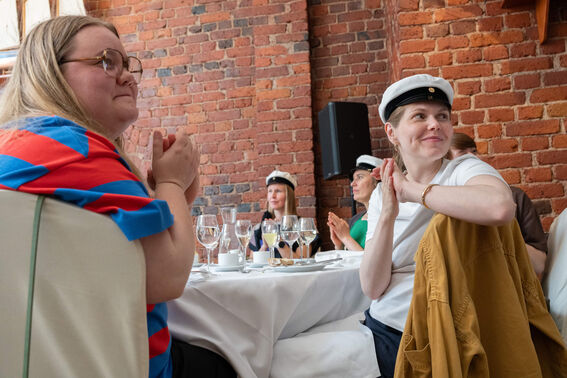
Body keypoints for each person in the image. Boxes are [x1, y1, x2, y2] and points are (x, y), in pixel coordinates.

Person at [0, 16, 235, 378]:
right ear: (52, 73)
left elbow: (114, 258)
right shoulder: (77, 149)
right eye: (107, 61)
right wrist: (171, 183)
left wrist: (171, 197)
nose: (126, 75)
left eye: (127, 64)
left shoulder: (19, 145)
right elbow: (167, 279)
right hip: (127, 364)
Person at [360, 74, 516, 377]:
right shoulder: (382, 192)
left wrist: (413, 193)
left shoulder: (462, 169)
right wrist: (388, 213)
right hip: (383, 324)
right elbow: (372, 286)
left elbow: (500, 208)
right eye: (420, 116)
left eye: (442, 116)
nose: (435, 124)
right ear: (392, 133)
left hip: (436, 329)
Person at [449, 132, 548, 278]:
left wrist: (498, 229)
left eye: (474, 151)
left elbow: (539, 264)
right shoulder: (442, 205)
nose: (474, 158)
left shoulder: (515, 197)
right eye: (463, 154)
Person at [249, 170, 321, 258]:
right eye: (270, 191)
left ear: (288, 196)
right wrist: (264, 246)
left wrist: (277, 239)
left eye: (278, 191)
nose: (273, 196)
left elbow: (302, 259)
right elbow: (252, 260)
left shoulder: (303, 226)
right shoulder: (258, 228)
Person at [327, 154, 382, 250]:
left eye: (360, 177)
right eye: (353, 179)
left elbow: (373, 263)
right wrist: (340, 245)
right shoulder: (355, 219)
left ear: (377, 182)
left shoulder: (386, 218)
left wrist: (345, 237)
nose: (352, 184)